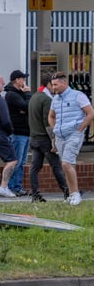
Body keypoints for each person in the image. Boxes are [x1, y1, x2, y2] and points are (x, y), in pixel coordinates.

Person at [48, 72, 93, 206]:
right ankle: (71, 193)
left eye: (56, 85)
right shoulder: (55, 99)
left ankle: (75, 194)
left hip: (74, 134)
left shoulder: (78, 96)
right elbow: (51, 116)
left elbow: (90, 113)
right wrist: (54, 130)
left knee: (66, 163)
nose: (53, 87)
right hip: (60, 135)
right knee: (67, 165)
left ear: (64, 83)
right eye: (52, 85)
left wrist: (80, 129)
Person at [27, 72, 68, 202]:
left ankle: (35, 194)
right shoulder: (46, 99)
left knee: (35, 167)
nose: (54, 88)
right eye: (53, 84)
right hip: (44, 139)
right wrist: (54, 141)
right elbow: (48, 122)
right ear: (49, 84)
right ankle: (67, 191)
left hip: (34, 138)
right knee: (56, 166)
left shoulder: (34, 97)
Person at [3, 69, 32, 196]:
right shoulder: (12, 95)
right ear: (17, 80)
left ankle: (17, 186)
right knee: (17, 161)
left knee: (22, 162)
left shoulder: (18, 94)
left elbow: (26, 108)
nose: (24, 81)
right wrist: (28, 94)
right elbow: (27, 106)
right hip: (18, 132)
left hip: (25, 132)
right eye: (22, 79)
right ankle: (13, 186)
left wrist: (25, 108)